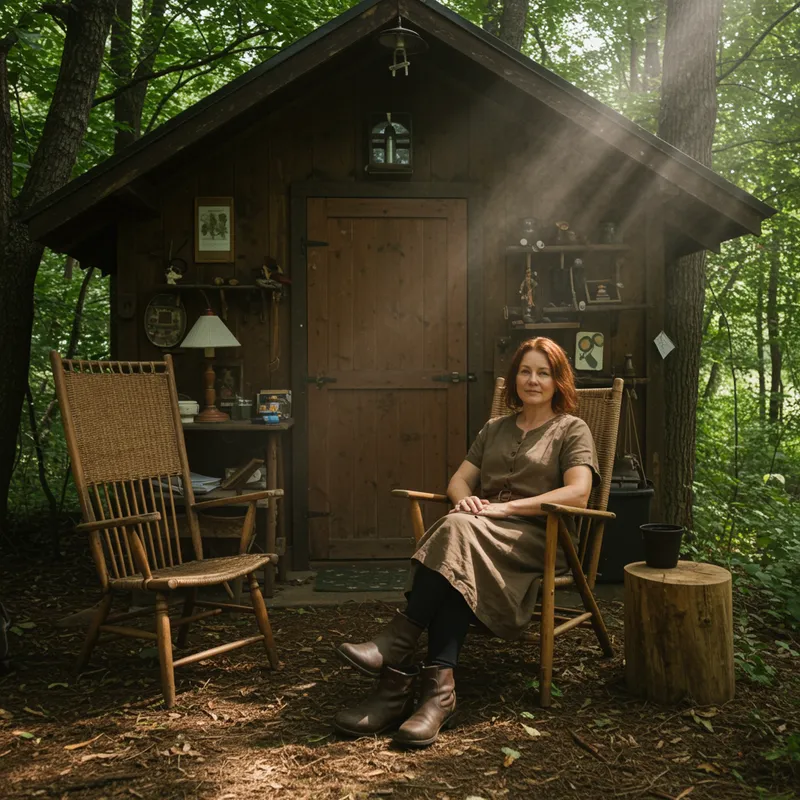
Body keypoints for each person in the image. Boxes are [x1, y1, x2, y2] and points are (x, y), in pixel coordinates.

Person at [333, 337, 600, 747]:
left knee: (457, 532)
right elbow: (459, 480)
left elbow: (577, 494)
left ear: (557, 380)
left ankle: (396, 658)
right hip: (479, 534)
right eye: (526, 371)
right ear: (514, 378)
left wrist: (504, 510)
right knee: (459, 543)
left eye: (543, 373)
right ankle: (437, 696)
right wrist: (468, 500)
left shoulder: (570, 429)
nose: (533, 380)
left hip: (538, 541)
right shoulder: (494, 428)